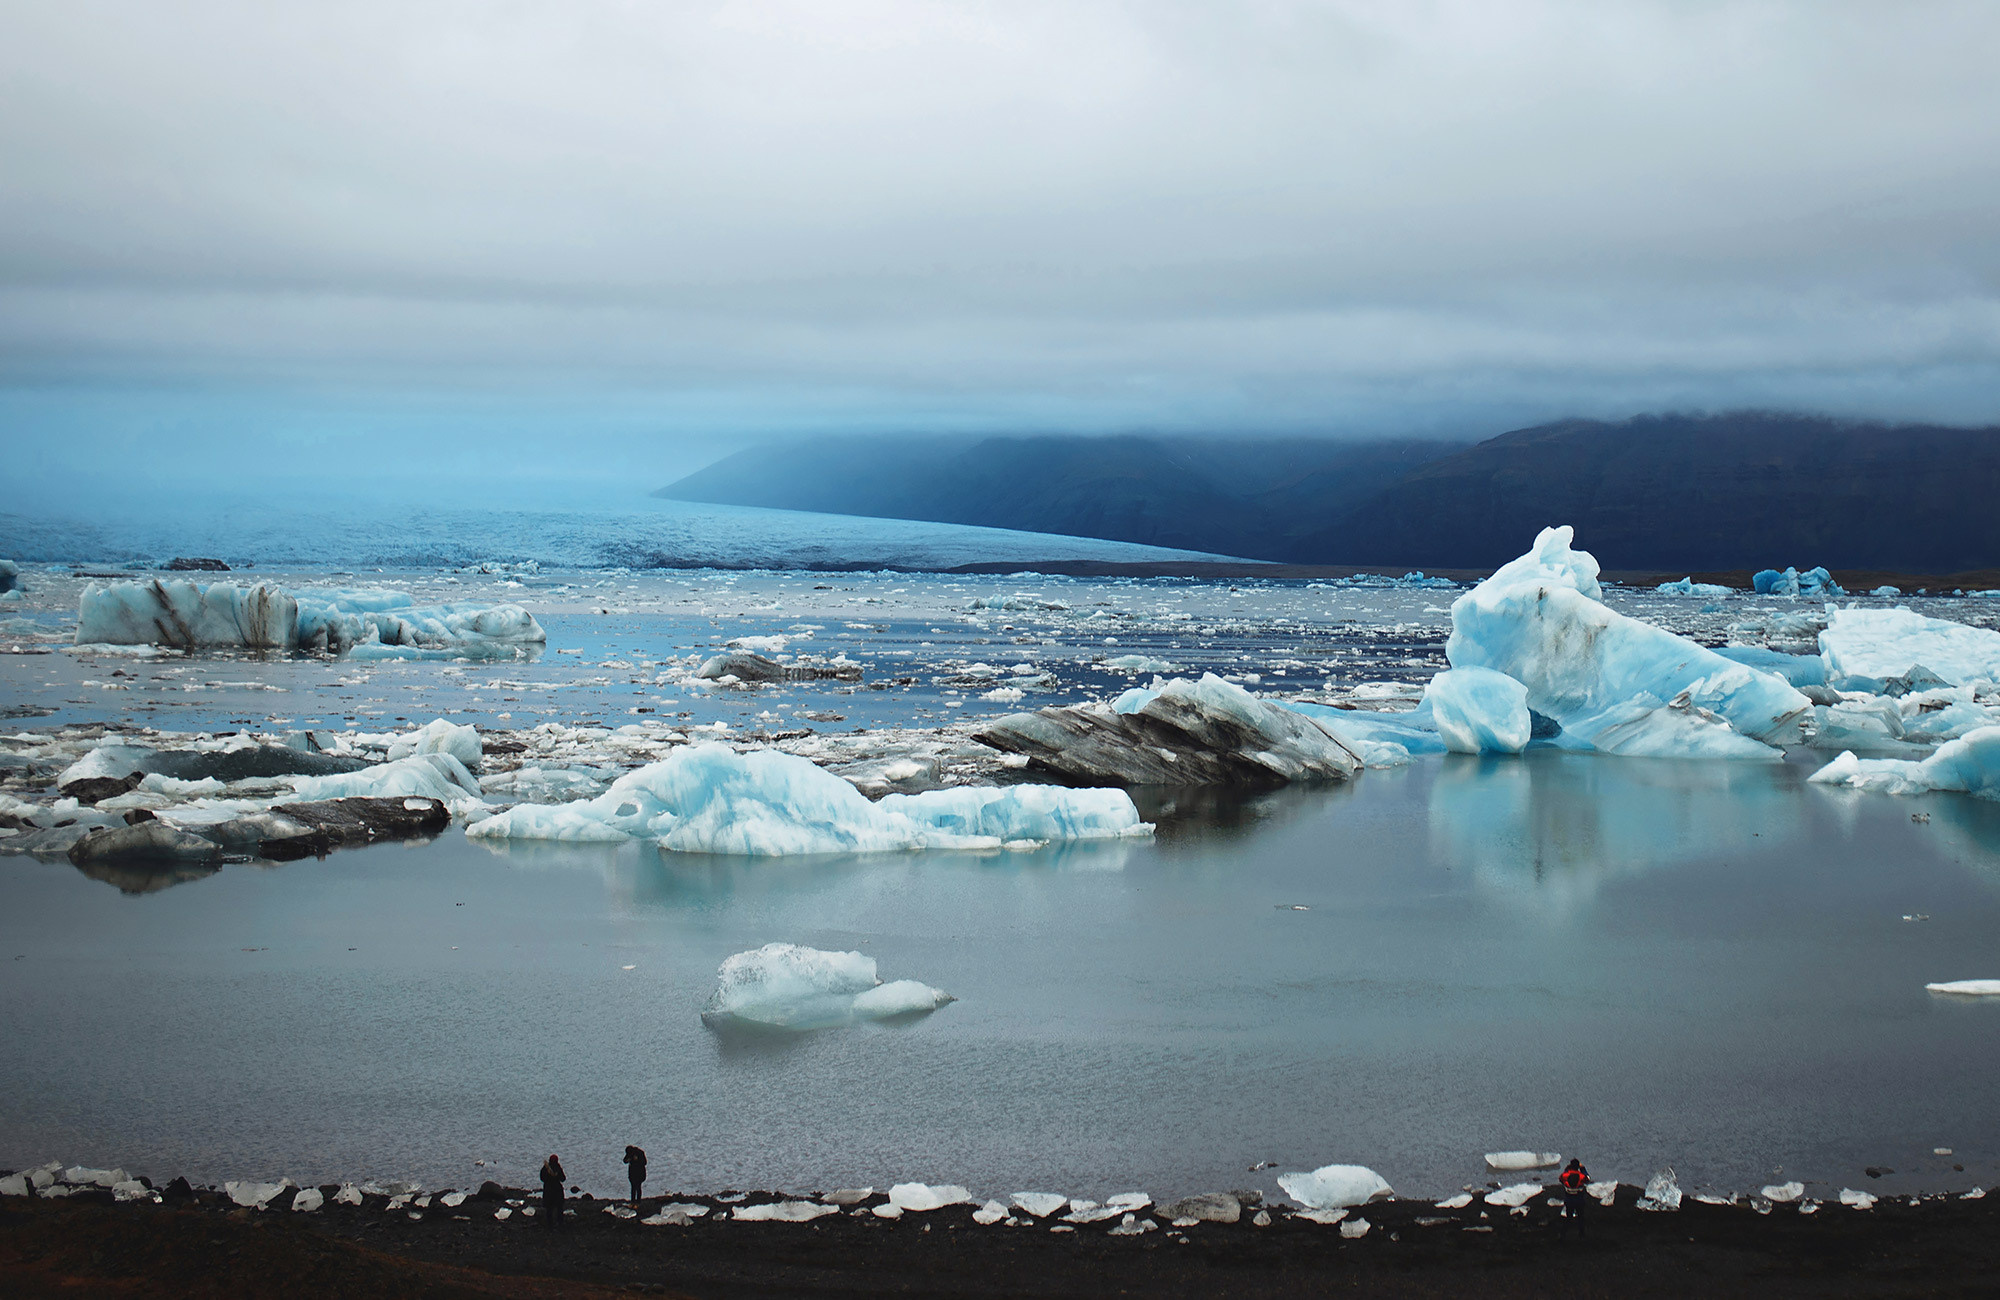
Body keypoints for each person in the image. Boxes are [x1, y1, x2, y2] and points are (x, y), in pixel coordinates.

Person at [1558, 1157, 1590, 1236]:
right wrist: (1583, 1168)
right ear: (1578, 1167)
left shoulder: (1565, 1175)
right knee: (1581, 1217)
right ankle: (1581, 1234)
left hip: (1569, 1199)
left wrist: (1567, 1169)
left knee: (1568, 1217)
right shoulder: (1581, 1176)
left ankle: (1563, 1235)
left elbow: (1561, 1179)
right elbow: (1588, 1179)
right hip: (1579, 1199)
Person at [539, 1153, 566, 1230]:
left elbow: (542, 1178)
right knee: (559, 1208)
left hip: (548, 1190)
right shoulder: (558, 1167)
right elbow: (563, 1179)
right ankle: (560, 1223)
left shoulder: (545, 1168)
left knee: (549, 1208)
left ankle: (549, 1224)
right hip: (557, 1190)